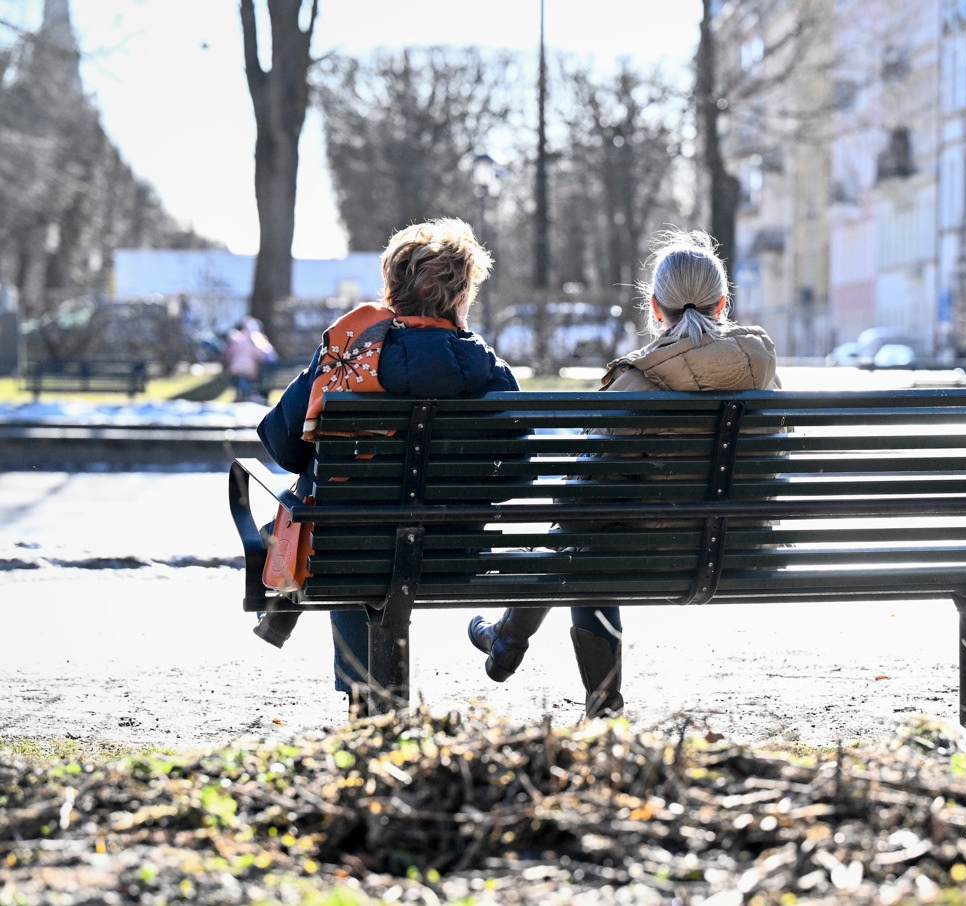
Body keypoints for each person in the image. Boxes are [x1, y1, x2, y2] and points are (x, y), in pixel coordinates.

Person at [466, 228, 780, 718]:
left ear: (655, 307)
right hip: (743, 551)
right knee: (589, 539)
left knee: (586, 547)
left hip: (643, 559)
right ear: (722, 304)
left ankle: (586, 693)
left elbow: (582, 503)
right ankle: (508, 639)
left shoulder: (638, 382)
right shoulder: (763, 370)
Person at [253, 217, 519, 714]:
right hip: (454, 553)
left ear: (392, 290)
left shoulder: (348, 352)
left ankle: (362, 697)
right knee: (350, 519)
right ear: (461, 297)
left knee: (333, 516)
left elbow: (283, 447)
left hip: (346, 552)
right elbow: (517, 475)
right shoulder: (487, 369)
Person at [222, 317, 277, 401]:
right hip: (250, 371)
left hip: (235, 370)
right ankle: (247, 396)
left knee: (242, 377)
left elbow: (227, 354)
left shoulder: (237, 339)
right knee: (251, 375)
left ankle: (243, 396)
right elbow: (267, 356)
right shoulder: (257, 340)